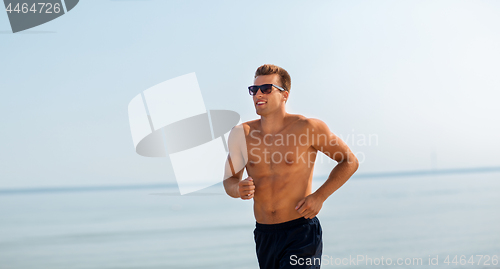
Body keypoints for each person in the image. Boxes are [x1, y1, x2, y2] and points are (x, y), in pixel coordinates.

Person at [223, 64, 359, 269]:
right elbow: (230, 181)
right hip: (264, 235)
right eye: (254, 90)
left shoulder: (308, 128)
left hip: (301, 232)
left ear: (284, 95)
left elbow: (349, 161)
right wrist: (237, 189)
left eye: (266, 88)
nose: (258, 94)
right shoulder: (241, 134)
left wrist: (320, 196)